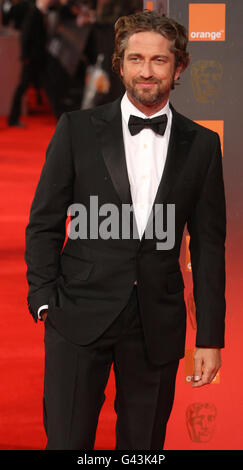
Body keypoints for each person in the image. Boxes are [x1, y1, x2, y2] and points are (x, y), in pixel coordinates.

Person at [25, 10, 226, 450]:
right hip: (76, 313)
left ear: (179, 67)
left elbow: (209, 245)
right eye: (136, 59)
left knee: (143, 449)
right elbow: (44, 220)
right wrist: (43, 299)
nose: (146, 71)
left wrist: (210, 336)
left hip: (156, 321)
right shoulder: (76, 130)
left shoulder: (203, 146)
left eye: (159, 60)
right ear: (119, 64)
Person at [8, 0, 50, 127]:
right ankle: (12, 118)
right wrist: (25, 56)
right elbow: (25, 35)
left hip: (37, 58)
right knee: (22, 87)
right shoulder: (33, 13)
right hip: (31, 59)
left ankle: (59, 113)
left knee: (47, 85)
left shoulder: (39, 13)